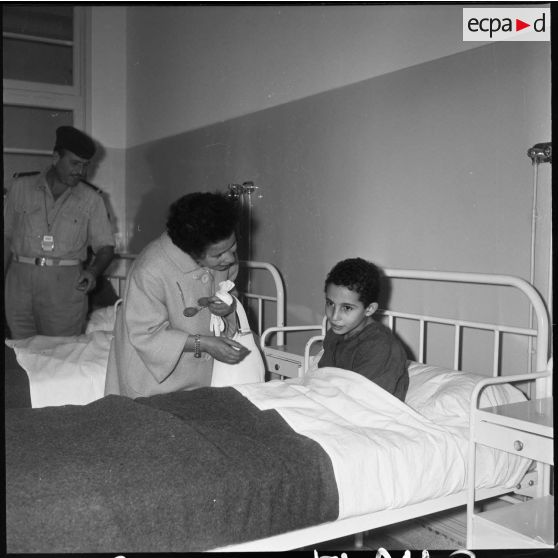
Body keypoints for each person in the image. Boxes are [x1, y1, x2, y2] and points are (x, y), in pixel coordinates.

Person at [104, 191, 251, 399]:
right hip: (151, 379)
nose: (229, 259)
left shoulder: (223, 257)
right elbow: (145, 334)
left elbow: (230, 292)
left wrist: (228, 308)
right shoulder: (150, 270)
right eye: (218, 254)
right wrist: (204, 343)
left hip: (200, 377)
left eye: (233, 247)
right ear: (191, 251)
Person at [4, 126, 115, 339]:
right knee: (21, 349)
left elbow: (106, 247)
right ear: (56, 158)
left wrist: (93, 272)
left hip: (64, 288)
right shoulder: (20, 188)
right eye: (75, 163)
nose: (81, 171)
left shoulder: (92, 200)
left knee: (61, 350)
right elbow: (6, 236)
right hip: (19, 285)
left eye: (85, 165)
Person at [318, 257, 409, 401]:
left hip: (365, 410)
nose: (334, 317)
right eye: (330, 303)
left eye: (347, 308)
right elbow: (323, 381)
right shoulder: (335, 335)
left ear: (369, 309)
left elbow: (361, 401)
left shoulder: (381, 346)